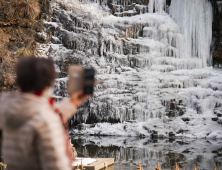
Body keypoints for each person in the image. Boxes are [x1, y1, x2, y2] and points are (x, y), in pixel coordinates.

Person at [0, 56, 89, 170]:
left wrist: (72, 103)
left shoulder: (12, 109)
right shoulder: (45, 120)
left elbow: (38, 112)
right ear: (47, 84)